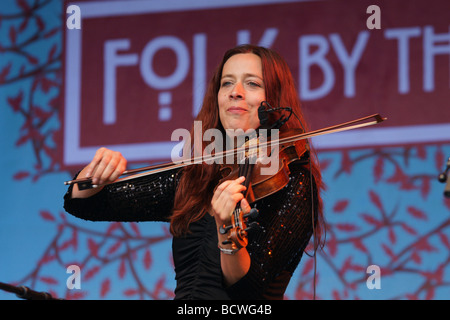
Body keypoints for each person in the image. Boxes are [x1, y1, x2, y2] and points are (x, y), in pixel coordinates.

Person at [64, 44, 324, 300]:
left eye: (253, 83)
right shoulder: (197, 178)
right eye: (227, 83)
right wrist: (94, 175)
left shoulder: (293, 182)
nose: (235, 92)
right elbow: (86, 204)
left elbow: (249, 291)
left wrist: (227, 229)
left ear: (275, 101)